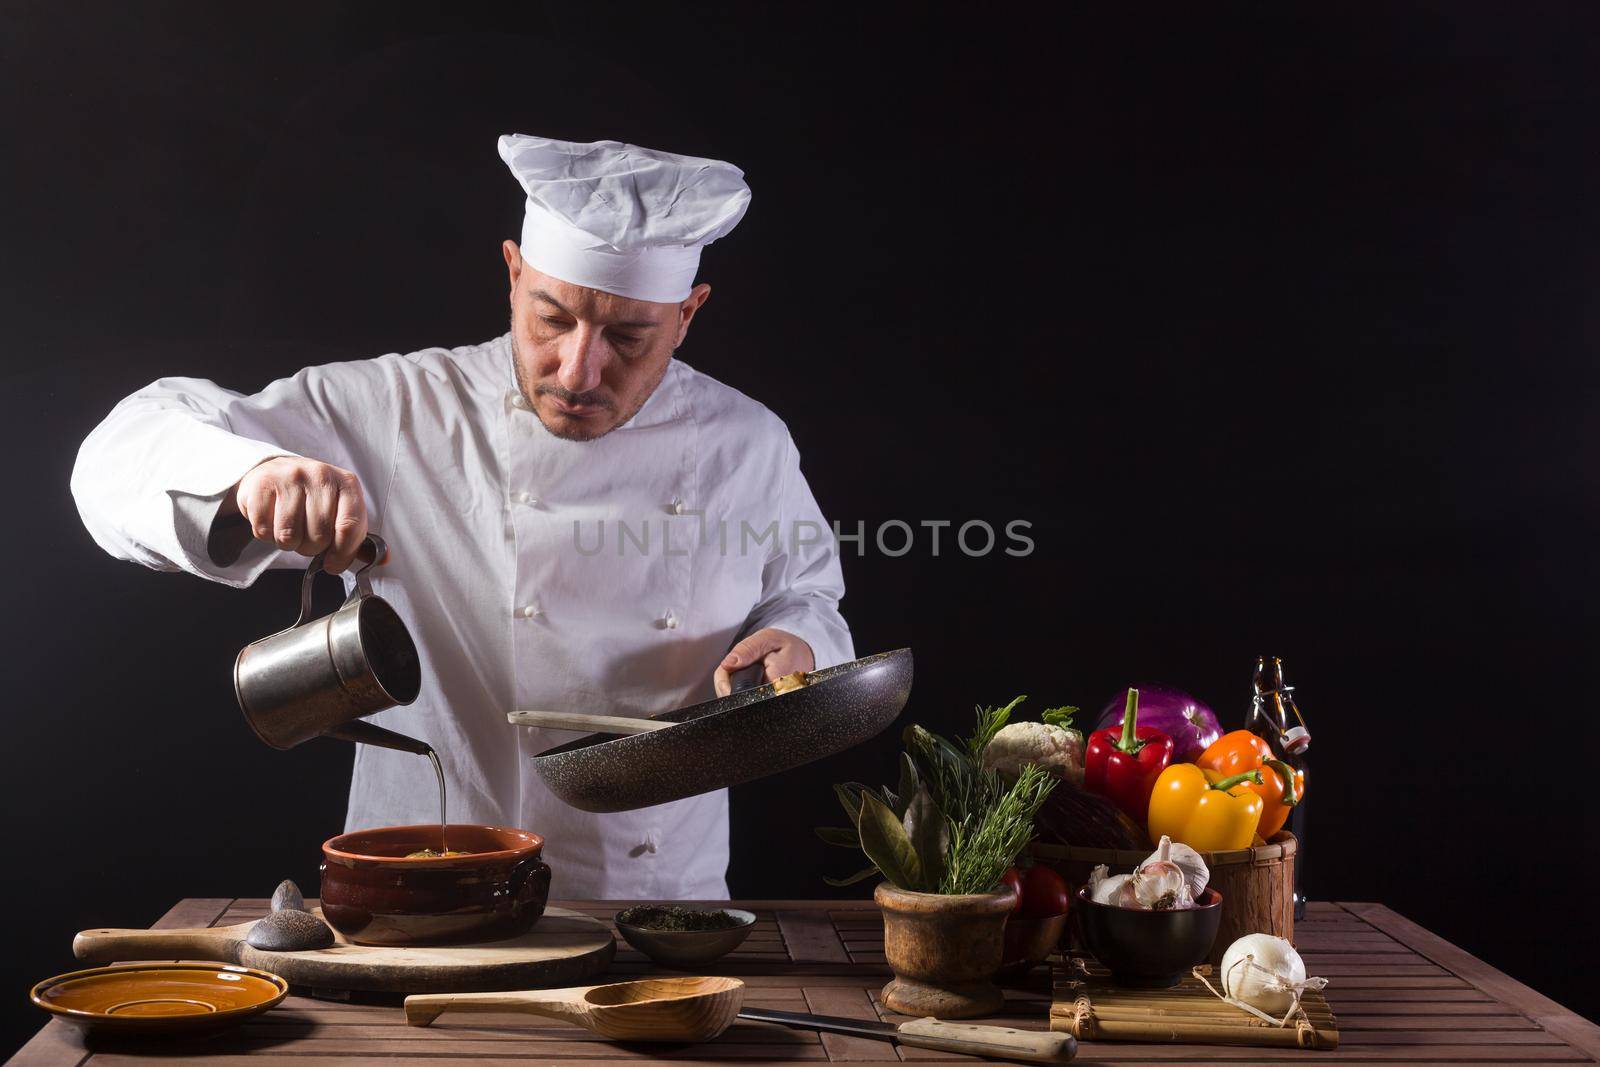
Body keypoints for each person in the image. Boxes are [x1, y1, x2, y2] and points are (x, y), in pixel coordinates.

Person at [70, 133, 854, 898]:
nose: (580, 369)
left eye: (628, 336)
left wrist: (800, 640)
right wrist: (249, 474)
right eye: (552, 318)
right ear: (513, 274)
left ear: (687, 314)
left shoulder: (747, 443)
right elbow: (119, 452)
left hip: (655, 894)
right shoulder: (399, 412)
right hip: (422, 881)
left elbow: (807, 595)